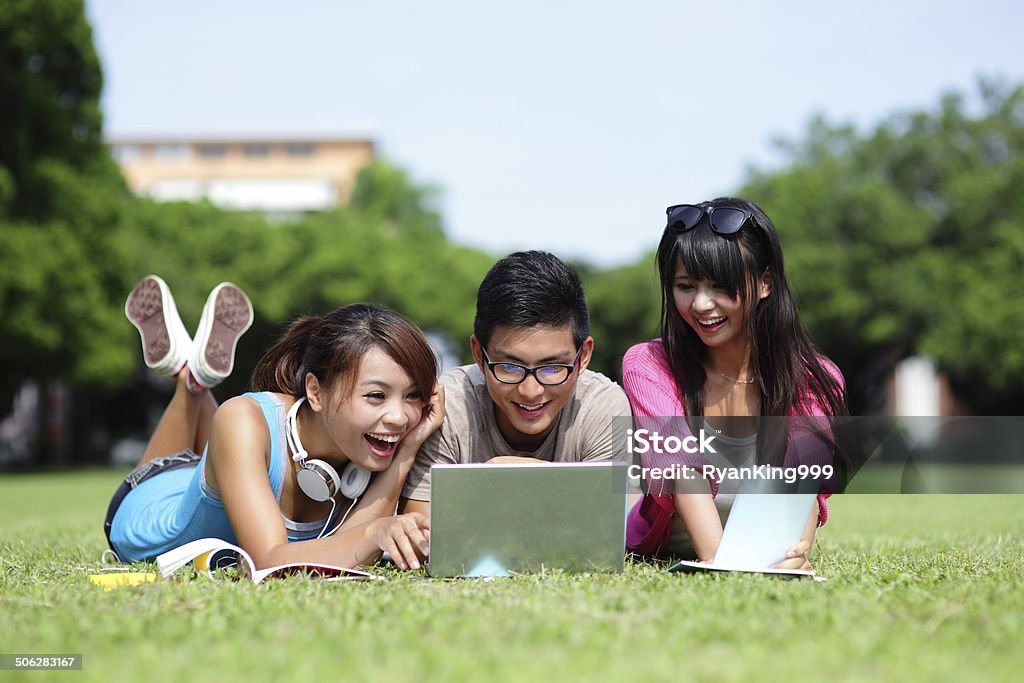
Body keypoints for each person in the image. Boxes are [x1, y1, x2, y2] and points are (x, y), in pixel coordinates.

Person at [104, 275, 443, 571]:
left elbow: (352, 554)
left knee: (230, 436)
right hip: (152, 495)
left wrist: (408, 451)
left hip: (226, 469)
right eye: (376, 396)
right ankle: (191, 383)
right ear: (315, 390)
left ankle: (196, 378)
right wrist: (374, 532)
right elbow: (268, 561)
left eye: (412, 396)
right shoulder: (244, 418)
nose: (400, 418)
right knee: (231, 422)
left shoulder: (373, 443)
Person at [622, 198, 849, 570]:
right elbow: (680, 470)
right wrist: (717, 560)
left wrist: (795, 553)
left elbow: (804, 478)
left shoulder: (815, 378)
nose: (701, 304)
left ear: (764, 284)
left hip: (760, 548)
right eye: (685, 286)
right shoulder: (648, 364)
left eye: (721, 286)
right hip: (662, 549)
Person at [401, 251, 631, 517]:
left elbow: (604, 524)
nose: (530, 391)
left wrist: (517, 478)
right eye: (509, 367)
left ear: (584, 357)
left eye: (552, 367)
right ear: (479, 354)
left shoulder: (603, 407)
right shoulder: (447, 407)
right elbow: (420, 533)